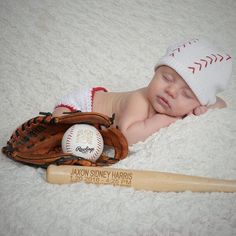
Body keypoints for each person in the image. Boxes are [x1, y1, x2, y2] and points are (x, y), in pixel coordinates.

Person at [52, 38, 232, 145]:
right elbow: (127, 135)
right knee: (56, 131)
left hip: (98, 122)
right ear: (155, 72)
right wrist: (166, 119)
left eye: (186, 94)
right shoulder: (140, 99)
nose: (171, 91)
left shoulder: (194, 102)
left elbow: (221, 104)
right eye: (167, 78)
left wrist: (207, 107)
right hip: (83, 105)